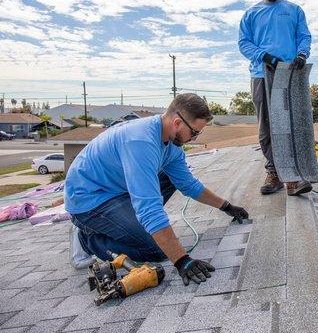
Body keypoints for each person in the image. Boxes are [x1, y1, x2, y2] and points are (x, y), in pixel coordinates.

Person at [65, 93, 249, 286]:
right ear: (178, 122)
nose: (194, 138)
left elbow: (188, 184)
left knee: (171, 178)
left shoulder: (171, 145)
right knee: (156, 251)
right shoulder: (141, 142)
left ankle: (117, 225)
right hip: (89, 199)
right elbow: (149, 208)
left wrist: (226, 206)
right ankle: (87, 238)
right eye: (194, 132)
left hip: (117, 189)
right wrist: (182, 260)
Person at [238, 0, 313, 196]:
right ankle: (273, 172)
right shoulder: (250, 14)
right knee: (267, 127)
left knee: (290, 124)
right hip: (262, 74)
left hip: (288, 74)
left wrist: (302, 53)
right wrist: (264, 56)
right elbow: (244, 44)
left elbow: (304, 36)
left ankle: (293, 177)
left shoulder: (294, 10)